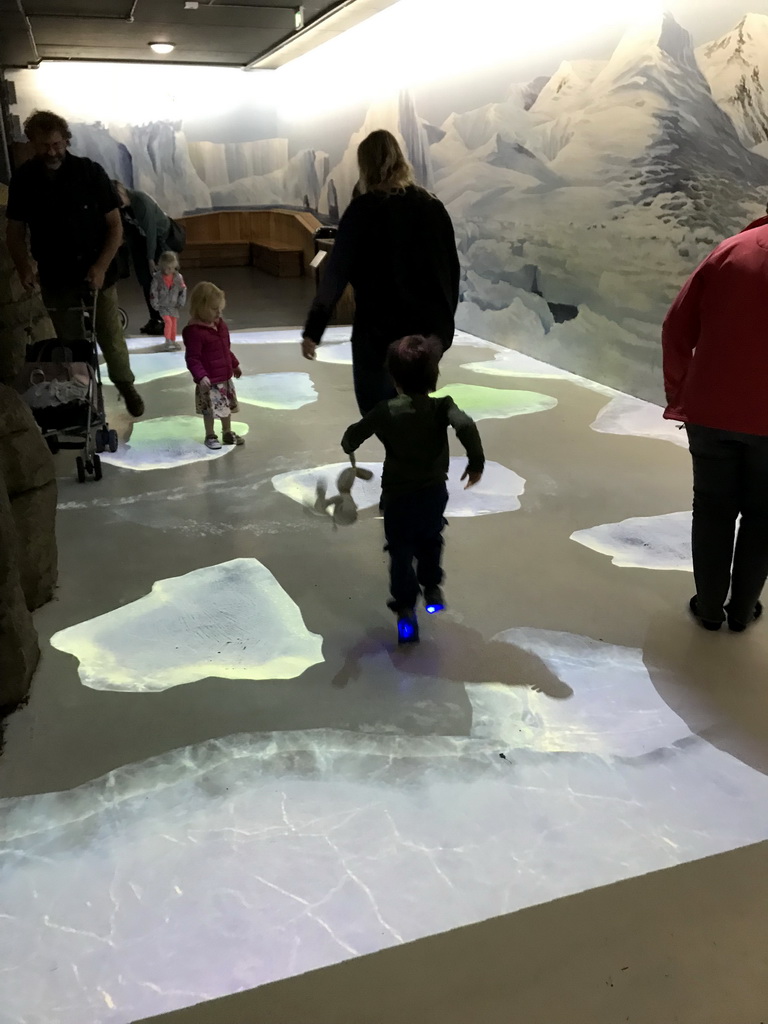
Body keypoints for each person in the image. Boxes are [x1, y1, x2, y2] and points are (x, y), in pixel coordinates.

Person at [301, 130, 460, 415]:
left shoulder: (362, 211)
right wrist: (442, 331)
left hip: (377, 334)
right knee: (417, 408)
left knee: (379, 411)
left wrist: (314, 329)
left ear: (365, 166)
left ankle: (398, 457)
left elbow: (336, 273)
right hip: (423, 335)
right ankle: (418, 458)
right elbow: (450, 270)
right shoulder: (432, 206)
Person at [341, 335, 484, 643]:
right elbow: (467, 426)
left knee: (401, 551)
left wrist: (348, 443)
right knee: (431, 538)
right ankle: (431, 587)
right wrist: (476, 464)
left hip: (398, 498)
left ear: (394, 378)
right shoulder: (442, 407)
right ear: (433, 376)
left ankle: (406, 610)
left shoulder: (386, 410)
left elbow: (355, 434)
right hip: (433, 494)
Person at [663, 222, 768, 632]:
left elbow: (675, 327)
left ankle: (708, 607)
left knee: (712, 508)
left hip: (710, 411)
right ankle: (742, 611)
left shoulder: (729, 251)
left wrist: (681, 392)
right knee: (763, 516)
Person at [5, 110, 144, 417]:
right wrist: (25, 268)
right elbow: (14, 232)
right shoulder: (24, 180)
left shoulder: (90, 173)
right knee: (69, 343)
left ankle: (125, 385)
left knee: (110, 333)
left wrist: (100, 267)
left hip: (97, 269)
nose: (51, 152)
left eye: (56, 144)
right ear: (32, 144)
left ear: (66, 140)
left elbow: (115, 226)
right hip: (55, 273)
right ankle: (83, 395)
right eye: (44, 146)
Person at [113, 180, 180, 336]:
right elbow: (127, 231)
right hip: (140, 241)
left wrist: (151, 259)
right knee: (145, 281)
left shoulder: (140, 201)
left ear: (123, 192)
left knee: (160, 281)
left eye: (118, 198)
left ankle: (165, 320)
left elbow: (151, 232)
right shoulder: (121, 208)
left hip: (159, 238)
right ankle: (154, 318)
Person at [182, 282, 244, 450]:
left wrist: (234, 364)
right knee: (209, 410)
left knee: (225, 408)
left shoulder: (219, 325)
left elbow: (225, 349)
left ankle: (227, 432)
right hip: (209, 381)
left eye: (220, 309)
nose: (219, 313)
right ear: (201, 308)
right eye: (214, 309)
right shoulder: (194, 331)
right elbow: (192, 358)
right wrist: (201, 376)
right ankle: (210, 434)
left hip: (224, 377)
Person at [150, 251, 186, 351]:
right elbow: (153, 291)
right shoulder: (157, 278)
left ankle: (173, 340)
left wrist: (181, 301)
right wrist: (155, 303)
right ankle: (168, 341)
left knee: (174, 322)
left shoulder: (178, 278)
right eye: (167, 268)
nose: (169, 270)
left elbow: (182, 290)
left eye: (172, 268)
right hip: (162, 305)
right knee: (168, 322)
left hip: (173, 305)